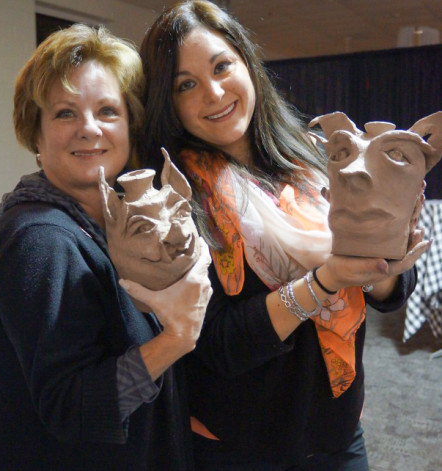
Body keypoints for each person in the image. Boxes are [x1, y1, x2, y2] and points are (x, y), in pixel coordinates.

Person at [137, 1, 430, 470]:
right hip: (240, 445)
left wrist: (382, 267)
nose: (213, 93)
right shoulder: (172, 196)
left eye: (221, 66)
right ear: (166, 101)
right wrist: (324, 282)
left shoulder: (315, 157)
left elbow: (389, 295)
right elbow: (214, 345)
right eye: (185, 85)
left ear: (247, 63)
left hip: (337, 431)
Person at [0, 24, 212, 471]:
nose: (89, 129)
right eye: (65, 113)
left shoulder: (107, 226)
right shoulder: (41, 241)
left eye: (108, 110)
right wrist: (176, 340)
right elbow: (71, 409)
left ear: (130, 126)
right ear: (36, 136)